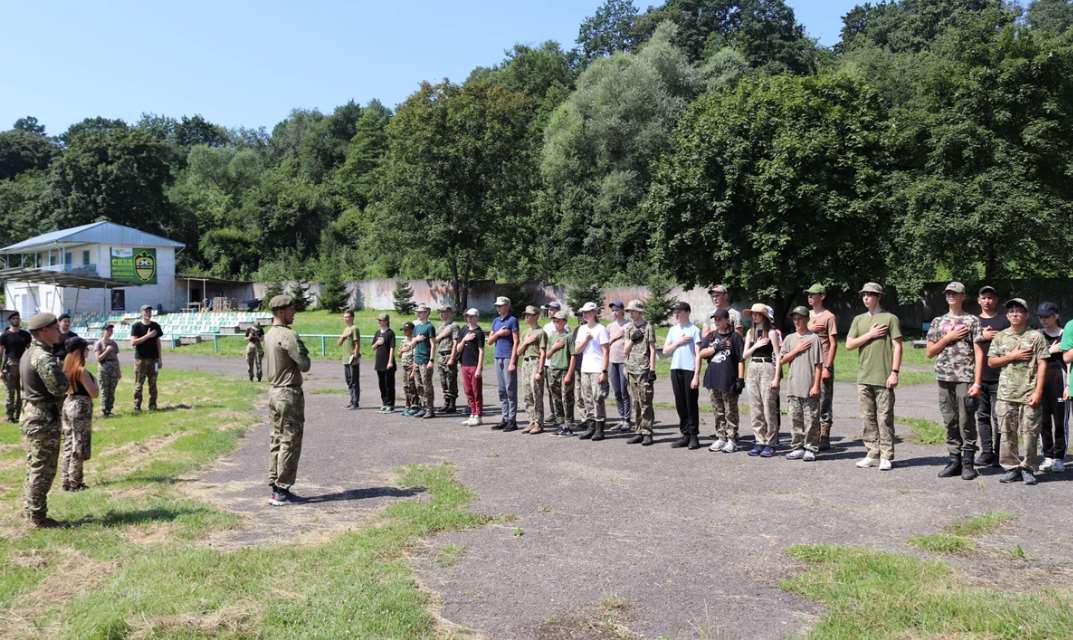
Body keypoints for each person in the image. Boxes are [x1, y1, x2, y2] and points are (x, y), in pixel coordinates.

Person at [925, 282, 984, 481]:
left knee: (966, 420)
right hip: (944, 377)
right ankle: (954, 460)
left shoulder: (972, 320)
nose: (951, 296)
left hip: (965, 377)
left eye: (955, 293)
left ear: (963, 296)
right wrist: (948, 337)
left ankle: (968, 463)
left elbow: (978, 352)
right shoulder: (937, 321)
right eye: (948, 293)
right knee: (949, 420)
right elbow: (930, 352)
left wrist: (977, 382)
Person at [987, 298, 1047, 485]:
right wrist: (1012, 356)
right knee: (1007, 433)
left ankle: (1028, 467)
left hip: (1029, 393)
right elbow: (991, 362)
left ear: (1026, 315)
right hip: (1006, 394)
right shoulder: (1001, 337)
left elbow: (1042, 363)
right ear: (1007, 315)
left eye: (1018, 311)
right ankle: (1011, 467)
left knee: (1030, 433)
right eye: (1011, 311)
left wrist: (1038, 391)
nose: (1014, 314)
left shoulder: (1036, 336)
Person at [846, 282, 903, 471]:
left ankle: (886, 455)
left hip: (884, 376)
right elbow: (849, 344)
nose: (866, 298)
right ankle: (872, 452)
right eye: (864, 295)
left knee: (884, 417)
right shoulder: (858, 320)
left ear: (879, 297)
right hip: (864, 376)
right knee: (867, 417)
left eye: (870, 295)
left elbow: (898, 346)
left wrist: (894, 372)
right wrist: (870, 335)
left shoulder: (890, 318)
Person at [20, 312, 67, 527]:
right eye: (55, 328)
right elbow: (59, 387)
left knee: (34, 465)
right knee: (44, 468)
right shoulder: (43, 357)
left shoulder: (29, 353)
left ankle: (31, 509)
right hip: (43, 418)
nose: (59, 331)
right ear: (43, 331)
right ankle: (38, 517)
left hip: (33, 415)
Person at [264, 295, 311, 506]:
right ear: (282, 311)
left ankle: (275, 482)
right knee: (290, 440)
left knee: (276, 438)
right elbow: (304, 364)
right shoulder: (288, 335)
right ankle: (282, 488)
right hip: (288, 393)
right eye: (292, 309)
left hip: (274, 391)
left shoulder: (269, 334)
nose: (294, 313)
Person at [693, 308, 744, 453]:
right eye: (715, 319)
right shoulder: (711, 336)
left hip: (729, 379)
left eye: (719, 319)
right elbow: (701, 353)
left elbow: (741, 359)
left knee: (730, 410)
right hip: (713, 378)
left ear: (727, 320)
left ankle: (732, 439)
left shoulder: (735, 337)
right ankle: (721, 437)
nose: (717, 321)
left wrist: (740, 379)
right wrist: (716, 348)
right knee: (718, 410)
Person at [779, 307, 824, 461]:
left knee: (811, 419)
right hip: (793, 386)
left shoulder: (814, 338)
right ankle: (797, 447)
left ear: (806, 319)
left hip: (809, 386)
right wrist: (797, 350)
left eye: (800, 318)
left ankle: (810, 447)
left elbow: (819, 365)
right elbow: (782, 360)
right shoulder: (789, 338)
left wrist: (816, 385)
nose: (797, 321)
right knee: (795, 419)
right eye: (794, 318)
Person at [973, 285, 1009, 467]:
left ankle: (999, 454)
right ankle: (986, 452)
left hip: (1000, 376)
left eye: (991, 298)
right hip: (979, 378)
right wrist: (982, 335)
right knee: (982, 416)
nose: (987, 301)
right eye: (984, 298)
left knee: (999, 416)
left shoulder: (1004, 321)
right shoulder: (973, 321)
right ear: (978, 300)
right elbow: (964, 341)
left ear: (996, 300)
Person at [743, 303, 782, 458]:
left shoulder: (771, 332)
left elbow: (778, 356)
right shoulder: (749, 333)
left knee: (768, 407)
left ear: (764, 316)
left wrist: (777, 377)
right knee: (755, 407)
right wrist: (756, 345)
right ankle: (759, 440)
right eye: (753, 313)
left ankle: (771, 442)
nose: (754, 316)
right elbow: (744, 355)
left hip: (767, 367)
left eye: (758, 314)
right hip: (753, 366)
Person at [60, 336, 97, 492]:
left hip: (68, 403)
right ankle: (75, 482)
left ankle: (66, 480)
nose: (87, 351)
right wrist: (95, 382)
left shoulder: (65, 370)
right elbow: (94, 393)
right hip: (80, 406)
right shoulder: (81, 371)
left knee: (69, 443)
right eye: (85, 349)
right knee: (79, 444)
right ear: (79, 352)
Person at [664, 301, 701, 449]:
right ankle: (684, 434)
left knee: (691, 403)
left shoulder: (694, 330)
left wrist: (696, 375)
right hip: (676, 369)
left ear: (686, 312)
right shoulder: (673, 330)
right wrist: (678, 342)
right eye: (675, 312)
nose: (676, 314)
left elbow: (698, 355)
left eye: (678, 311)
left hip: (689, 369)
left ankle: (693, 436)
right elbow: (666, 351)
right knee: (680, 403)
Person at [805, 284, 838, 450]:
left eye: (813, 294)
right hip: (807, 363)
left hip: (823, 362)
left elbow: (833, 344)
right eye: (809, 294)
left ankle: (824, 435)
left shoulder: (829, 316)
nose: (810, 297)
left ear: (822, 296)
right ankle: (811, 434)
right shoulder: (805, 315)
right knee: (808, 399)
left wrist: (827, 366)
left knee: (824, 400)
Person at [1036, 302, 1066, 473]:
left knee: (1060, 422)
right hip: (1041, 382)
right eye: (1041, 317)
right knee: (1043, 421)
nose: (1044, 320)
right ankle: (1047, 456)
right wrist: (1050, 349)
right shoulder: (1037, 335)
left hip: (1060, 381)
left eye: (1047, 316)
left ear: (1056, 316)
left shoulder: (1066, 335)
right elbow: (1031, 356)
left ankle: (1060, 458)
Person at [623, 300, 657, 446]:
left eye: (632, 311)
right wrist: (632, 339)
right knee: (636, 402)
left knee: (646, 402)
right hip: (631, 369)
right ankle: (638, 431)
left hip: (644, 369)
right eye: (629, 311)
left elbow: (653, 349)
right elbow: (625, 350)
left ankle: (647, 432)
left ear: (639, 312)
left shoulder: (649, 327)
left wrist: (653, 369)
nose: (630, 313)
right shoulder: (629, 328)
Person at [574, 302, 610, 441]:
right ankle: (590, 426)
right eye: (584, 312)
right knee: (587, 398)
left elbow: (606, 351)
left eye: (588, 312)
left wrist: (604, 371)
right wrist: (586, 340)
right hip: (585, 368)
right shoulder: (582, 329)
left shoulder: (601, 329)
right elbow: (577, 350)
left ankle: (600, 428)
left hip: (597, 368)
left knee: (598, 398)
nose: (585, 315)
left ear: (595, 313)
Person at [487, 296, 520, 431]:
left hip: (507, 357)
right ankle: (504, 417)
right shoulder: (495, 321)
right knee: (501, 390)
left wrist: (513, 361)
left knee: (510, 389)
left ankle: (512, 420)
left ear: (507, 306)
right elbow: (489, 341)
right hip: (497, 357)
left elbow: (516, 342)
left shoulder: (513, 320)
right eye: (497, 306)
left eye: (500, 306)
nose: (498, 308)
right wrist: (499, 333)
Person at [546, 310, 577, 437]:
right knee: (556, 398)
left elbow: (574, 356)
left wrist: (569, 374)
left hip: (565, 370)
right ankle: (560, 424)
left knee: (567, 398)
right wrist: (554, 347)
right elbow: (548, 354)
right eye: (554, 321)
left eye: (558, 321)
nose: (556, 323)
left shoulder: (569, 336)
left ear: (564, 322)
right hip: (553, 370)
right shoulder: (552, 336)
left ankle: (568, 425)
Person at [518, 306, 547, 434]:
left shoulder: (541, 332)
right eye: (526, 315)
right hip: (525, 362)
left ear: (536, 316)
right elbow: (519, 352)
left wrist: (540, 370)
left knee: (536, 394)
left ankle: (539, 423)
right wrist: (526, 342)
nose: (527, 317)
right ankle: (531, 420)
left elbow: (543, 352)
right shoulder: (525, 332)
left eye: (529, 315)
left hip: (535, 362)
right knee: (527, 394)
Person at [453, 309, 485, 426]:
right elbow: (458, 349)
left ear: (477, 317)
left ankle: (478, 415)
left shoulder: (479, 332)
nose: (469, 319)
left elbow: (481, 351)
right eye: (467, 316)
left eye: (471, 316)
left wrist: (479, 368)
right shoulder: (463, 330)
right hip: (464, 365)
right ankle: (472, 413)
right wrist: (464, 339)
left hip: (474, 365)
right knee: (468, 391)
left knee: (476, 391)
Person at [129, 304, 164, 412]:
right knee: (139, 384)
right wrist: (147, 336)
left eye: (149, 311)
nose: (148, 313)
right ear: (141, 313)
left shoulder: (156, 326)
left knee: (153, 384)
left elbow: (158, 342)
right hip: (141, 360)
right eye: (146, 311)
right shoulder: (136, 326)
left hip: (154, 359)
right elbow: (133, 342)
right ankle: (137, 407)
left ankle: (152, 406)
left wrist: (160, 358)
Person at [605, 301, 632, 432]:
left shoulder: (629, 325)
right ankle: (621, 418)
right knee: (616, 391)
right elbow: (605, 345)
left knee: (624, 391)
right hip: (612, 361)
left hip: (624, 361)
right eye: (613, 310)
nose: (614, 313)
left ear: (622, 310)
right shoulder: (609, 326)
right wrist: (613, 338)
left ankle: (627, 419)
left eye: (616, 310)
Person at [1, 311, 32, 423]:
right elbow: (1, 353)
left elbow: (29, 351)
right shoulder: (5, 335)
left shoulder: (26, 335)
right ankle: (9, 416)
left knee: (22, 391)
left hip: (23, 364)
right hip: (10, 364)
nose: (16, 320)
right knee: (10, 392)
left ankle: (20, 415)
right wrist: (0, 369)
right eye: (14, 318)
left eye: (18, 318)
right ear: (10, 320)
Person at [411, 305, 436, 419]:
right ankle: (423, 407)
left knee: (427, 385)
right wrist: (416, 340)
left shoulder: (429, 327)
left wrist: (431, 360)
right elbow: (412, 344)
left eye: (421, 312)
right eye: (418, 312)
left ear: (426, 313)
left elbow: (433, 344)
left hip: (425, 360)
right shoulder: (416, 328)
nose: (418, 314)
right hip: (417, 359)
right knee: (418, 385)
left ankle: (430, 409)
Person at [435, 306, 461, 415]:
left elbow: (456, 342)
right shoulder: (440, 327)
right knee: (443, 381)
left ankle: (452, 404)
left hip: (449, 354)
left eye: (445, 312)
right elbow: (436, 341)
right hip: (441, 355)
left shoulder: (454, 326)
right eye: (441, 313)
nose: (443, 315)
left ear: (450, 313)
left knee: (451, 380)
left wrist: (452, 357)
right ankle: (446, 402)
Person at [94, 324, 120, 417]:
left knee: (112, 389)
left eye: (111, 330)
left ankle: (109, 409)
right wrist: (107, 351)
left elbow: (116, 358)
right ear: (103, 331)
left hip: (113, 367)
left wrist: (118, 371)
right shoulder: (99, 343)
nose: (110, 332)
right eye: (108, 330)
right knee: (105, 389)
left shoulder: (113, 343)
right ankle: (104, 410)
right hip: (104, 367)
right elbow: (98, 358)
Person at [372, 313, 396, 413]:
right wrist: (377, 343)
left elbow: (392, 348)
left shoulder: (390, 333)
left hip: (388, 363)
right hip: (379, 363)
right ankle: (384, 403)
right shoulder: (378, 332)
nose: (379, 322)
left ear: (386, 321)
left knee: (388, 384)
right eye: (378, 320)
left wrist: (390, 361)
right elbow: (372, 347)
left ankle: (390, 404)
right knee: (381, 384)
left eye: (381, 320)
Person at [337, 310, 361, 410]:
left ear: (352, 317)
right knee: (348, 380)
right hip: (345, 359)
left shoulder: (354, 329)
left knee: (354, 380)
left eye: (347, 317)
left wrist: (355, 356)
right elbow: (338, 343)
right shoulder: (346, 329)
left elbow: (357, 343)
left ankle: (355, 402)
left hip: (352, 358)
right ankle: (351, 400)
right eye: (344, 317)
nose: (346, 319)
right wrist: (344, 336)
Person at [399, 322, 419, 416]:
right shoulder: (403, 340)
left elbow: (416, 355)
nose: (404, 332)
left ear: (411, 330)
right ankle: (408, 404)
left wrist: (414, 369)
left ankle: (414, 405)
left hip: (411, 366)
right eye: (403, 330)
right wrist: (402, 350)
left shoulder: (415, 341)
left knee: (412, 386)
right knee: (405, 386)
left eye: (406, 330)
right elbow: (399, 354)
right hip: (404, 366)